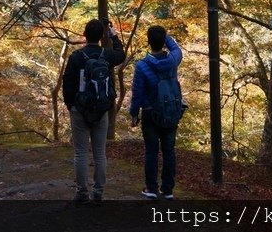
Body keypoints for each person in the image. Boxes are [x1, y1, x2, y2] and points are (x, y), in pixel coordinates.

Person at [62, 18, 124, 204]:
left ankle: (82, 193)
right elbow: (121, 55)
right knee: (99, 153)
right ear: (101, 36)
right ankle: (98, 192)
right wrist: (113, 34)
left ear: (84, 35)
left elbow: (68, 84)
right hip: (102, 109)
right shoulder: (107, 55)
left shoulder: (76, 57)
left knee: (80, 153)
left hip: (80, 109)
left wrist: (71, 106)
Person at [129, 25, 182, 200]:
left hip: (151, 113)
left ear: (148, 42)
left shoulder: (143, 65)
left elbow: (137, 93)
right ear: (163, 41)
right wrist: (165, 35)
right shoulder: (173, 60)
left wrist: (134, 113)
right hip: (171, 111)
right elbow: (175, 48)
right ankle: (168, 190)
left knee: (151, 151)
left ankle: (151, 188)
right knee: (169, 151)